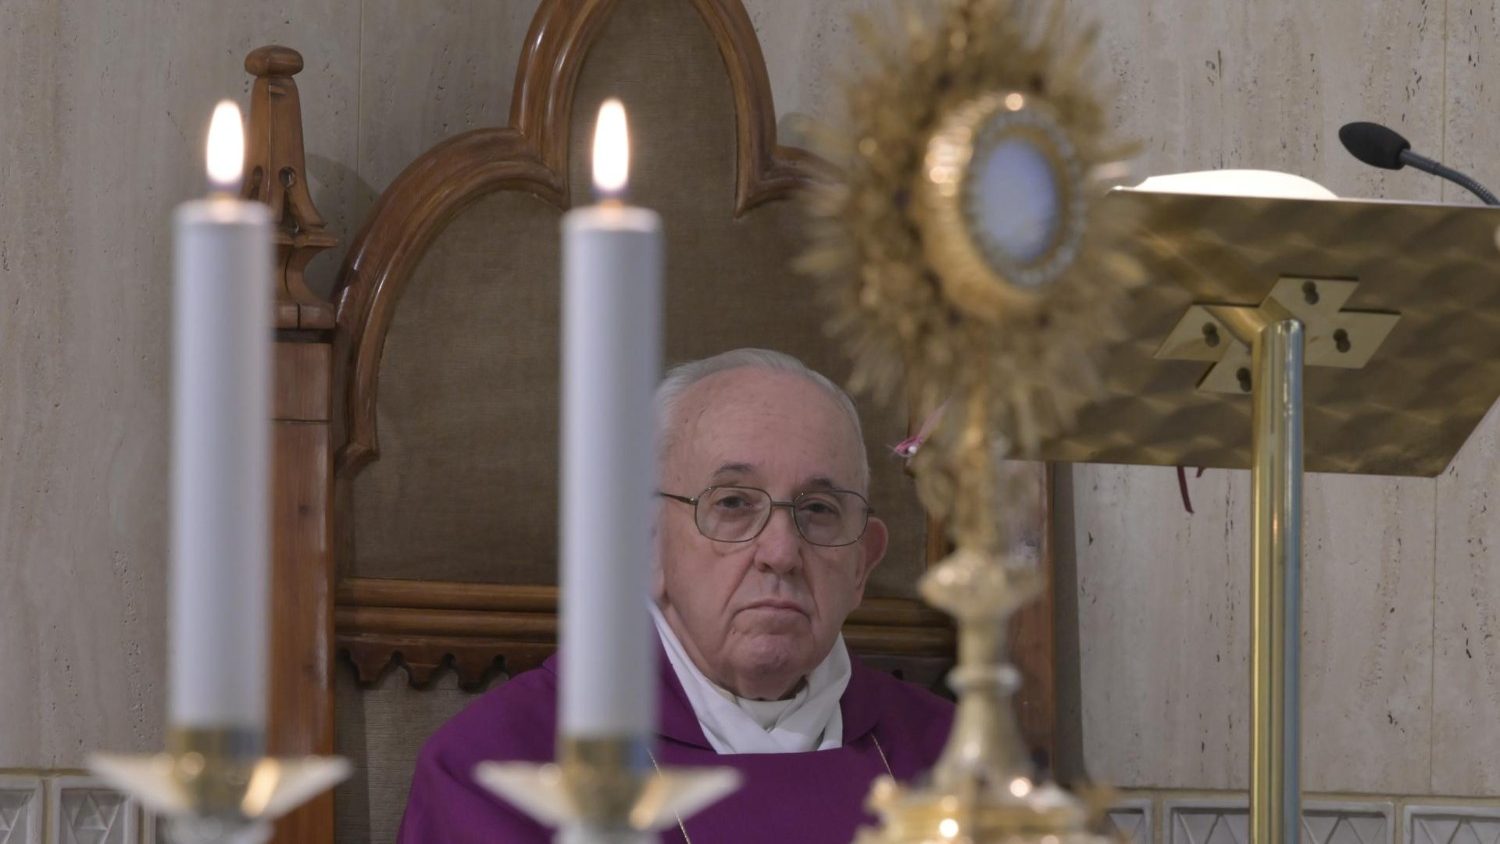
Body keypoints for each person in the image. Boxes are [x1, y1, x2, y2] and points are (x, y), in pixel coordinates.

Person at [398, 349, 954, 843]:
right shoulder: (501, 769)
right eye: (733, 504)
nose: (781, 553)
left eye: (819, 510)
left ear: (862, 564)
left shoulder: (952, 758)